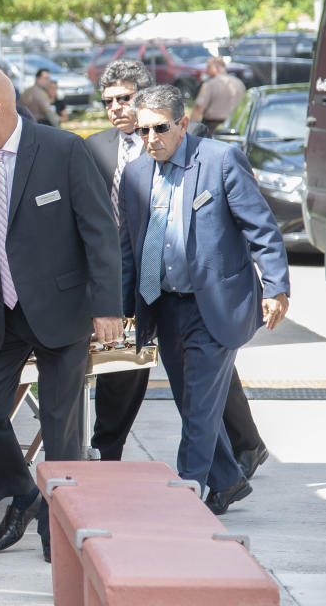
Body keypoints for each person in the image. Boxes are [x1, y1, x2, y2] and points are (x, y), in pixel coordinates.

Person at [0, 67, 123, 564]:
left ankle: (57, 532)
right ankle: (24, 496)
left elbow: (100, 233)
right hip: (1, 314)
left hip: (60, 311)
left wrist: (107, 307)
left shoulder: (63, 152)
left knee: (62, 431)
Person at [86, 60, 270, 478]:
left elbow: (251, 216)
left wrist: (275, 285)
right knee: (151, 379)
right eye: (108, 101)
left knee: (205, 383)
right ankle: (220, 475)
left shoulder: (200, 144)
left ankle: (208, 474)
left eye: (124, 99)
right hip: (138, 281)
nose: (117, 108)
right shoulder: (96, 149)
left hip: (202, 289)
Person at [118, 84, 290, 516]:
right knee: (187, 400)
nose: (150, 139)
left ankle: (188, 490)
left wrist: (276, 287)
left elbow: (262, 230)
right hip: (164, 303)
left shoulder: (219, 161)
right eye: (142, 131)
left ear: (183, 123)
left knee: (197, 404)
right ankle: (228, 480)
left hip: (216, 301)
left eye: (159, 128)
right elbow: (128, 248)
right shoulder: (136, 174)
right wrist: (120, 310)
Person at [190, 56, 247, 132]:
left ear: (216, 68)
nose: (206, 71)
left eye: (208, 67)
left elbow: (198, 109)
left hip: (212, 127)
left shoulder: (209, 84)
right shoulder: (239, 83)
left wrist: (190, 129)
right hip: (236, 127)